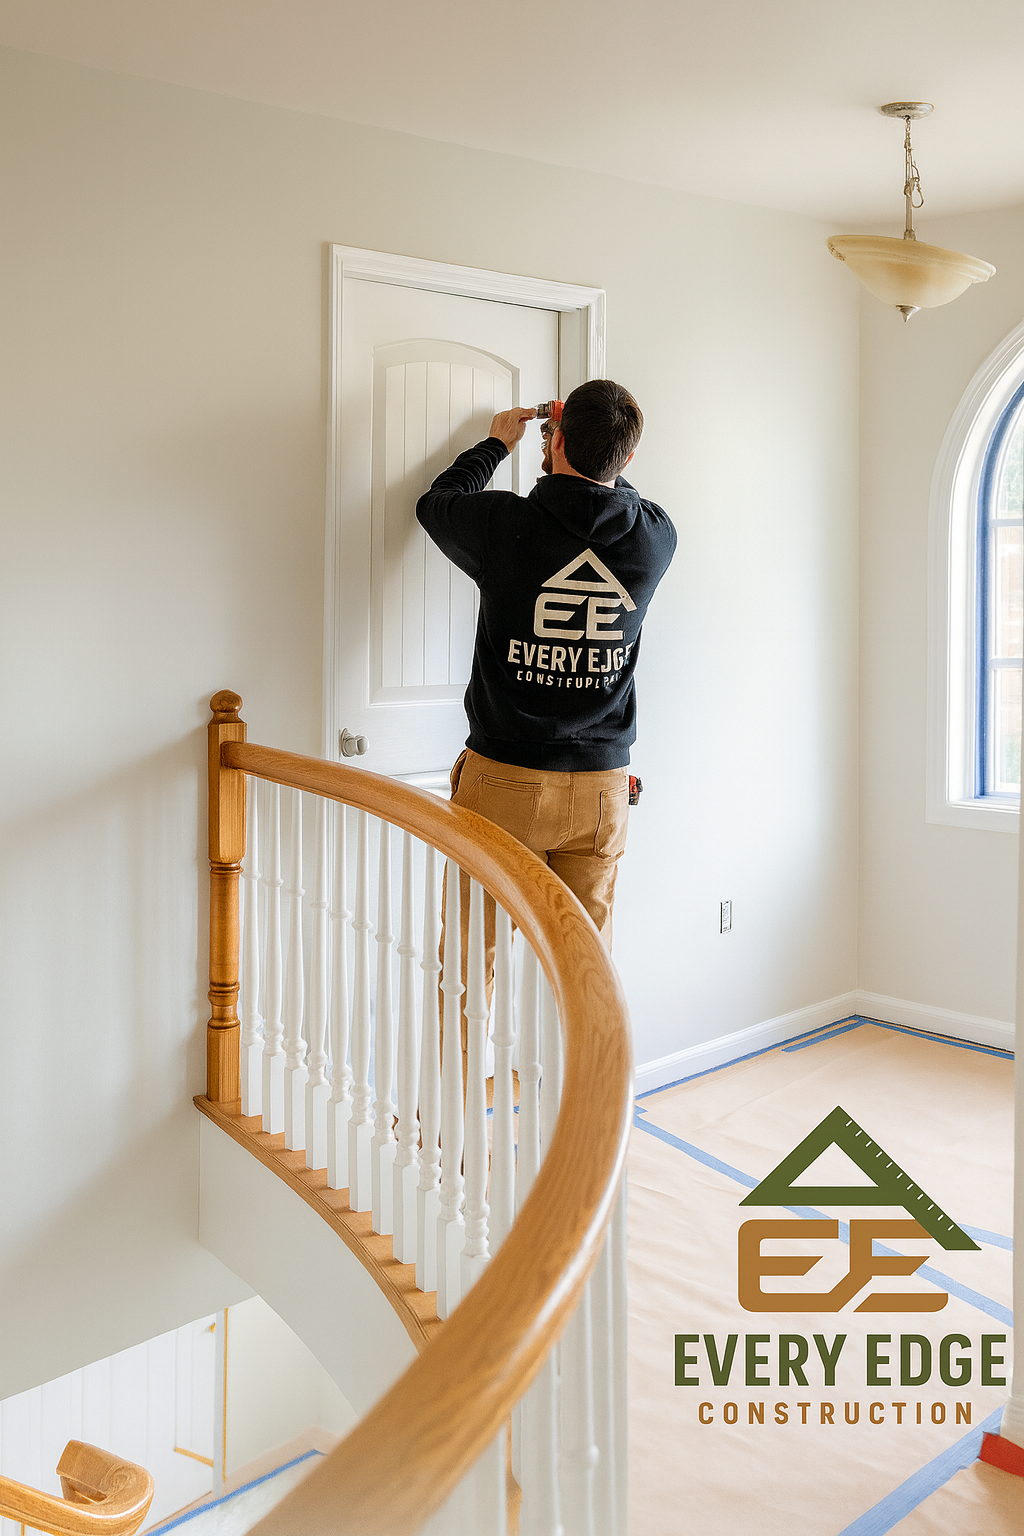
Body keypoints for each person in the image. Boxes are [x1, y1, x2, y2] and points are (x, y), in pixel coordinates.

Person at [416, 378, 676, 953]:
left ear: (555, 441)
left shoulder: (503, 526)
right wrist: (590, 450)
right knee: (587, 975)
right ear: (628, 456)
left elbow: (435, 502)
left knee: (467, 964)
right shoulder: (655, 539)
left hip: (506, 778)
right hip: (603, 791)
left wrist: (497, 446)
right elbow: (614, 489)